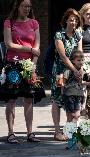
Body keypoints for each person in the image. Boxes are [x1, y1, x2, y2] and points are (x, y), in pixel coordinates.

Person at [2, 0, 44, 144]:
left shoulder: (34, 23)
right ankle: (11, 133)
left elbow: (37, 46)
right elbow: (9, 44)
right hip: (13, 64)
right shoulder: (9, 22)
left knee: (29, 99)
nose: (27, 9)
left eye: (29, 6)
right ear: (18, 7)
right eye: (24, 6)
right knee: (12, 99)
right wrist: (29, 49)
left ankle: (30, 133)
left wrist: (33, 65)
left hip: (29, 65)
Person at [51, 8, 82, 141]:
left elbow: (80, 54)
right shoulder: (59, 35)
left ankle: (69, 130)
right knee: (57, 99)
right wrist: (74, 69)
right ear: (66, 21)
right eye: (71, 20)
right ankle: (57, 131)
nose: (73, 22)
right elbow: (63, 56)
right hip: (60, 73)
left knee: (73, 99)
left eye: (75, 20)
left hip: (74, 72)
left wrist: (81, 69)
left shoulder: (78, 35)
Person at [62, 51, 90, 124]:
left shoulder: (81, 71)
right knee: (70, 116)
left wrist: (88, 83)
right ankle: (68, 132)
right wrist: (62, 92)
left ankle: (72, 131)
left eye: (82, 60)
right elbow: (63, 82)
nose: (81, 62)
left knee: (77, 115)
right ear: (73, 61)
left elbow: (80, 83)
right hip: (69, 95)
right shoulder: (68, 70)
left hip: (78, 95)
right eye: (78, 60)